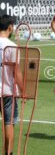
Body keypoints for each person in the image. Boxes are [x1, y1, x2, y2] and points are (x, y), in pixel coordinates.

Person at [0, 14, 23, 155]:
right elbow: (17, 72)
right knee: (9, 124)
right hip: (7, 91)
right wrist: (23, 89)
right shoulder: (12, 46)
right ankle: (8, 153)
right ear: (10, 27)